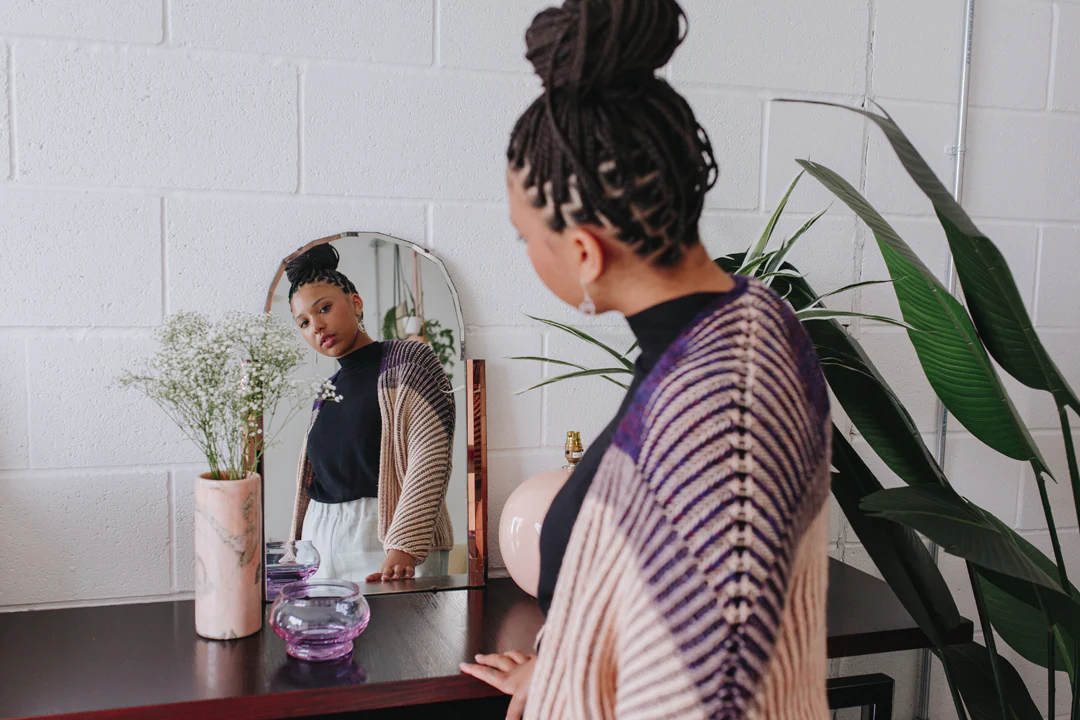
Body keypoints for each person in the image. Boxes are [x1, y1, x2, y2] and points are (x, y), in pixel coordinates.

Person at [459, 1, 832, 717]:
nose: (528, 253)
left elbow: (720, 691)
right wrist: (565, 668)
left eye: (525, 238)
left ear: (584, 252)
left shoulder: (720, 417)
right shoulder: (751, 321)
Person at [285, 243, 455, 583]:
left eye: (324, 308)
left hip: (391, 542)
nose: (316, 326)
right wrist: (296, 547)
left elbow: (431, 453)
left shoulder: (410, 361)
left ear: (356, 303)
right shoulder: (326, 391)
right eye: (303, 322)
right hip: (321, 541)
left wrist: (405, 544)